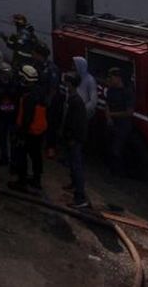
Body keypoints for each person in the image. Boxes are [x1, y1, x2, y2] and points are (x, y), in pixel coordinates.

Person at [10, 64, 48, 192]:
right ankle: (36, 180)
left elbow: (27, 118)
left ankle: (22, 181)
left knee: (22, 155)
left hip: (29, 132)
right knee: (36, 156)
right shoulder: (40, 93)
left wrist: (21, 135)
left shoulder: (29, 97)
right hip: (39, 132)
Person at [60, 72, 90, 209]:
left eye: (67, 82)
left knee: (77, 166)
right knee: (72, 165)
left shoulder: (76, 101)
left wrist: (73, 138)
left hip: (74, 139)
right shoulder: (73, 98)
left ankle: (80, 197)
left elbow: (78, 123)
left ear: (70, 84)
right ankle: (74, 185)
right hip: (71, 137)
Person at [105, 67, 135, 176]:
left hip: (123, 125)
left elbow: (129, 112)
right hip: (112, 123)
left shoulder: (127, 92)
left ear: (118, 78)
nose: (109, 79)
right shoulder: (111, 90)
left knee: (118, 149)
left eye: (111, 77)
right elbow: (107, 103)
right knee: (110, 147)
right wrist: (108, 117)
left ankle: (120, 172)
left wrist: (111, 115)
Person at [0, 63, 20, 166]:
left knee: (13, 140)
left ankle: (14, 162)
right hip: (1, 116)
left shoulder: (15, 85)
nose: (5, 74)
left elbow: (17, 101)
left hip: (12, 117)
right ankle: (4, 158)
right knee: (2, 139)